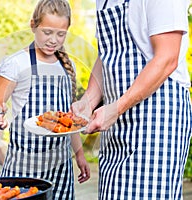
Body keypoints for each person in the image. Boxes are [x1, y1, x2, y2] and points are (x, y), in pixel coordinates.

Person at [71, 0, 192, 199]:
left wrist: (117, 108)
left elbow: (167, 57)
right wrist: (89, 101)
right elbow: (108, 54)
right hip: (116, 120)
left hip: (157, 118)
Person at [0, 0, 90, 199]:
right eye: (47, 32)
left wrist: (79, 154)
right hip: (24, 164)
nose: (53, 40)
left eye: (60, 34)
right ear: (33, 26)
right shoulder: (17, 63)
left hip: (60, 167)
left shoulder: (67, 67)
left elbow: (69, 120)